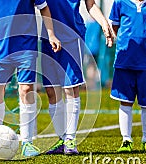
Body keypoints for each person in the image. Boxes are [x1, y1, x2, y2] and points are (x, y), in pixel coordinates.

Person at [0, 0, 61, 157]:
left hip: (27, 47)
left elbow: (44, 9)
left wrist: (51, 34)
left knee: (26, 90)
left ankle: (27, 142)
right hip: (1, 49)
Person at [41, 0, 113, 155]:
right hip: (47, 36)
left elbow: (91, 4)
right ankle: (62, 139)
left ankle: (70, 140)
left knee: (70, 88)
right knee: (51, 91)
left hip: (72, 37)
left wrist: (104, 23)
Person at [109, 0, 146, 152]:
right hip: (124, 62)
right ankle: (126, 140)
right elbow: (115, 26)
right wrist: (126, 43)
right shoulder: (119, 2)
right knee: (125, 101)